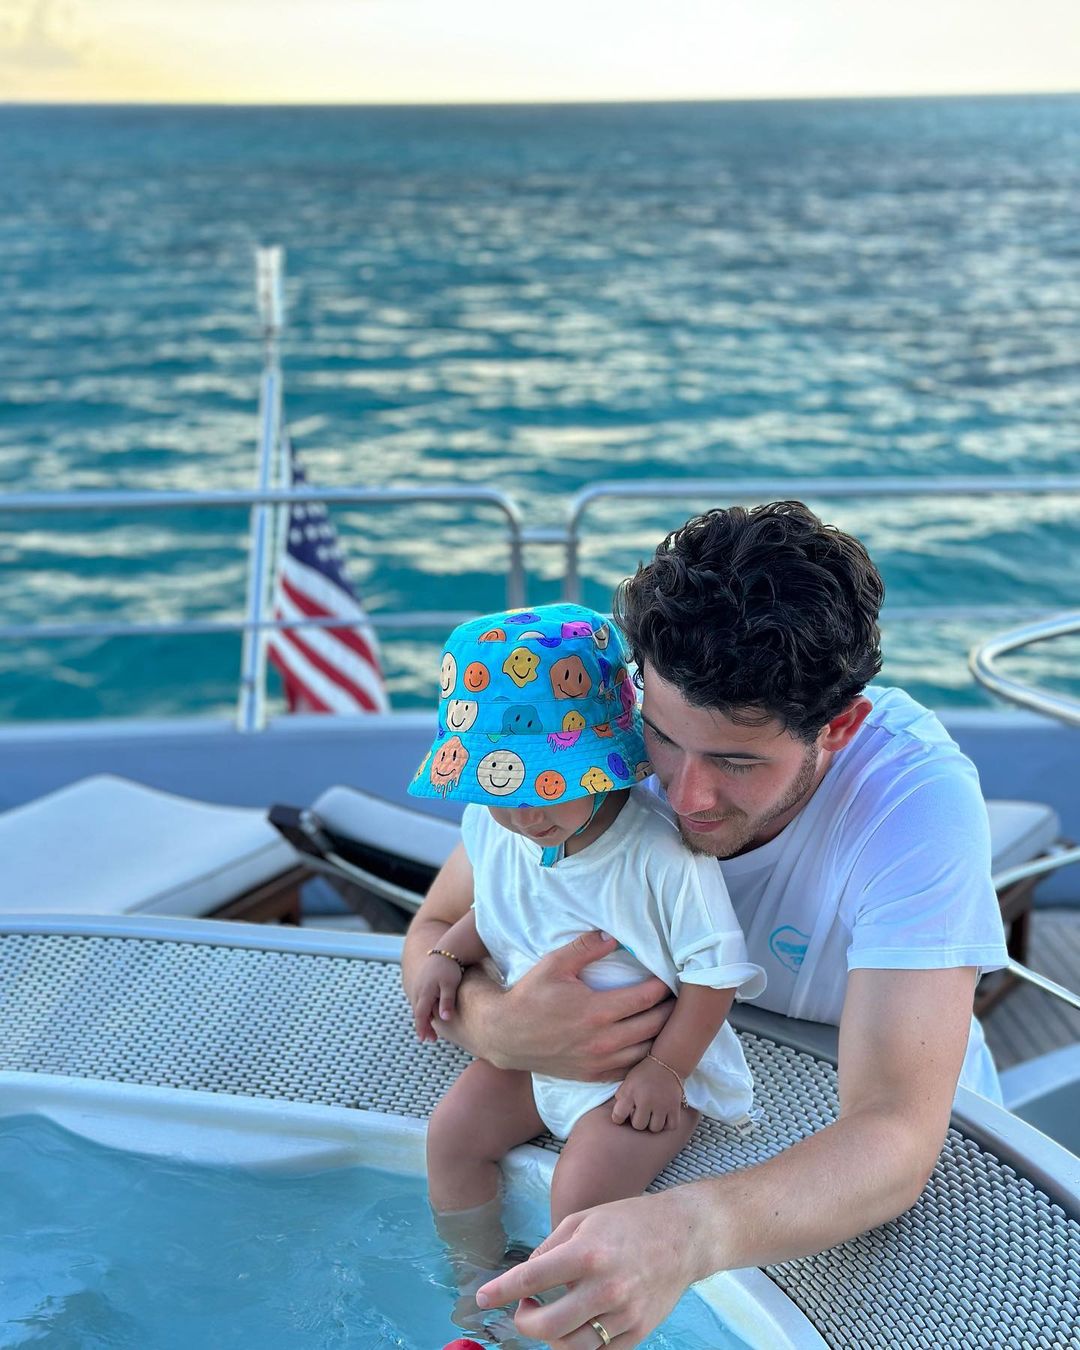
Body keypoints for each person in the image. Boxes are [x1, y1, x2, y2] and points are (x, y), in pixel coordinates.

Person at [402, 501, 1009, 1350]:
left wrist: (685, 1234)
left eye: (736, 761)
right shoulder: (592, 730)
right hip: (626, 1093)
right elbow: (437, 923)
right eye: (661, 738)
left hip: (865, 1168)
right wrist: (493, 1025)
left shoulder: (913, 799)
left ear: (839, 727)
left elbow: (896, 1135)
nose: (684, 796)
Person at [404, 602, 765, 1342]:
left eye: (548, 786)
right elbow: (503, 905)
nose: (524, 816)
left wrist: (666, 1070)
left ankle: (545, 1328)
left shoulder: (660, 855)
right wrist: (449, 953)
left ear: (604, 758)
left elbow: (715, 972)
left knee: (580, 1196)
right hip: (539, 1053)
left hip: (642, 1069)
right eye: (501, 793)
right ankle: (478, 1289)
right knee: (451, 1136)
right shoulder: (497, 829)